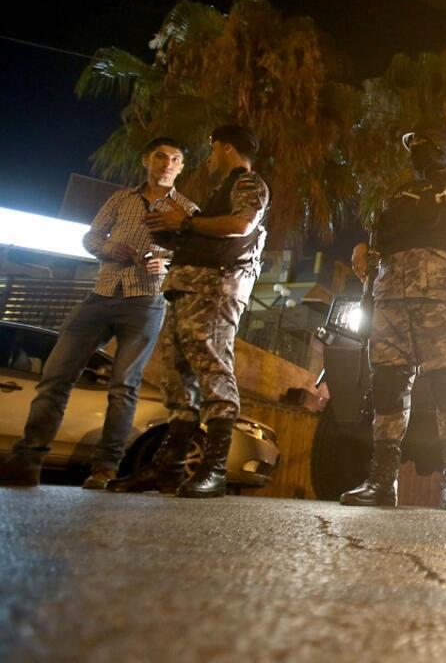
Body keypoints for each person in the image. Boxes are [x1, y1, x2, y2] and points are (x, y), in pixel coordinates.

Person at [0, 138, 196, 488]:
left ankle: (105, 469)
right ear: (146, 160)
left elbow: (193, 257)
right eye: (161, 156)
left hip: (145, 301)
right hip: (100, 294)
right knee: (55, 377)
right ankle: (27, 459)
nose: (167, 163)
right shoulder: (122, 198)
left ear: (181, 167)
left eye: (175, 159)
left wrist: (164, 262)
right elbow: (90, 238)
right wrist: (110, 248)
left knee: (124, 386)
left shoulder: (186, 209)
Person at [107, 124, 269, 498]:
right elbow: (208, 232)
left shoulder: (246, 182)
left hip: (215, 289)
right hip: (187, 287)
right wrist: (175, 235)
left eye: (212, 151)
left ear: (226, 149)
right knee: (178, 380)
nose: (209, 159)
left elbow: (243, 223)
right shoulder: (221, 190)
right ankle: (168, 468)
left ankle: (214, 470)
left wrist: (186, 223)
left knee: (213, 370)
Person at [341, 124, 446, 510]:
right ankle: (380, 481)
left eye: (423, 145)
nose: (416, 153)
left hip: (443, 299)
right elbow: (379, 239)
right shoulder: (397, 194)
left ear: (443, 149)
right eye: (413, 147)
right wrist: (362, 249)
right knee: (388, 386)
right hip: (391, 300)